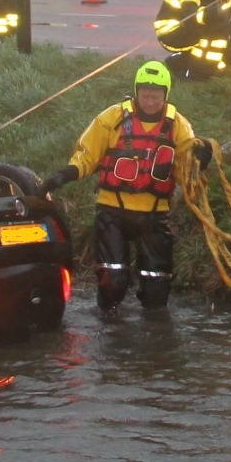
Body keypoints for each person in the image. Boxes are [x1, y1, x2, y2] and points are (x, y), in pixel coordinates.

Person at [38, 61, 214, 314]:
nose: (150, 102)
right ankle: (109, 328)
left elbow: (187, 165)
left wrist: (201, 157)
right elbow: (87, 155)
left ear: (166, 95)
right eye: (145, 96)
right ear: (136, 92)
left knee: (157, 289)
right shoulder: (112, 118)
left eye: (156, 97)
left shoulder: (178, 126)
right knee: (113, 282)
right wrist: (64, 175)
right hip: (113, 211)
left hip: (154, 214)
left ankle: (151, 338)